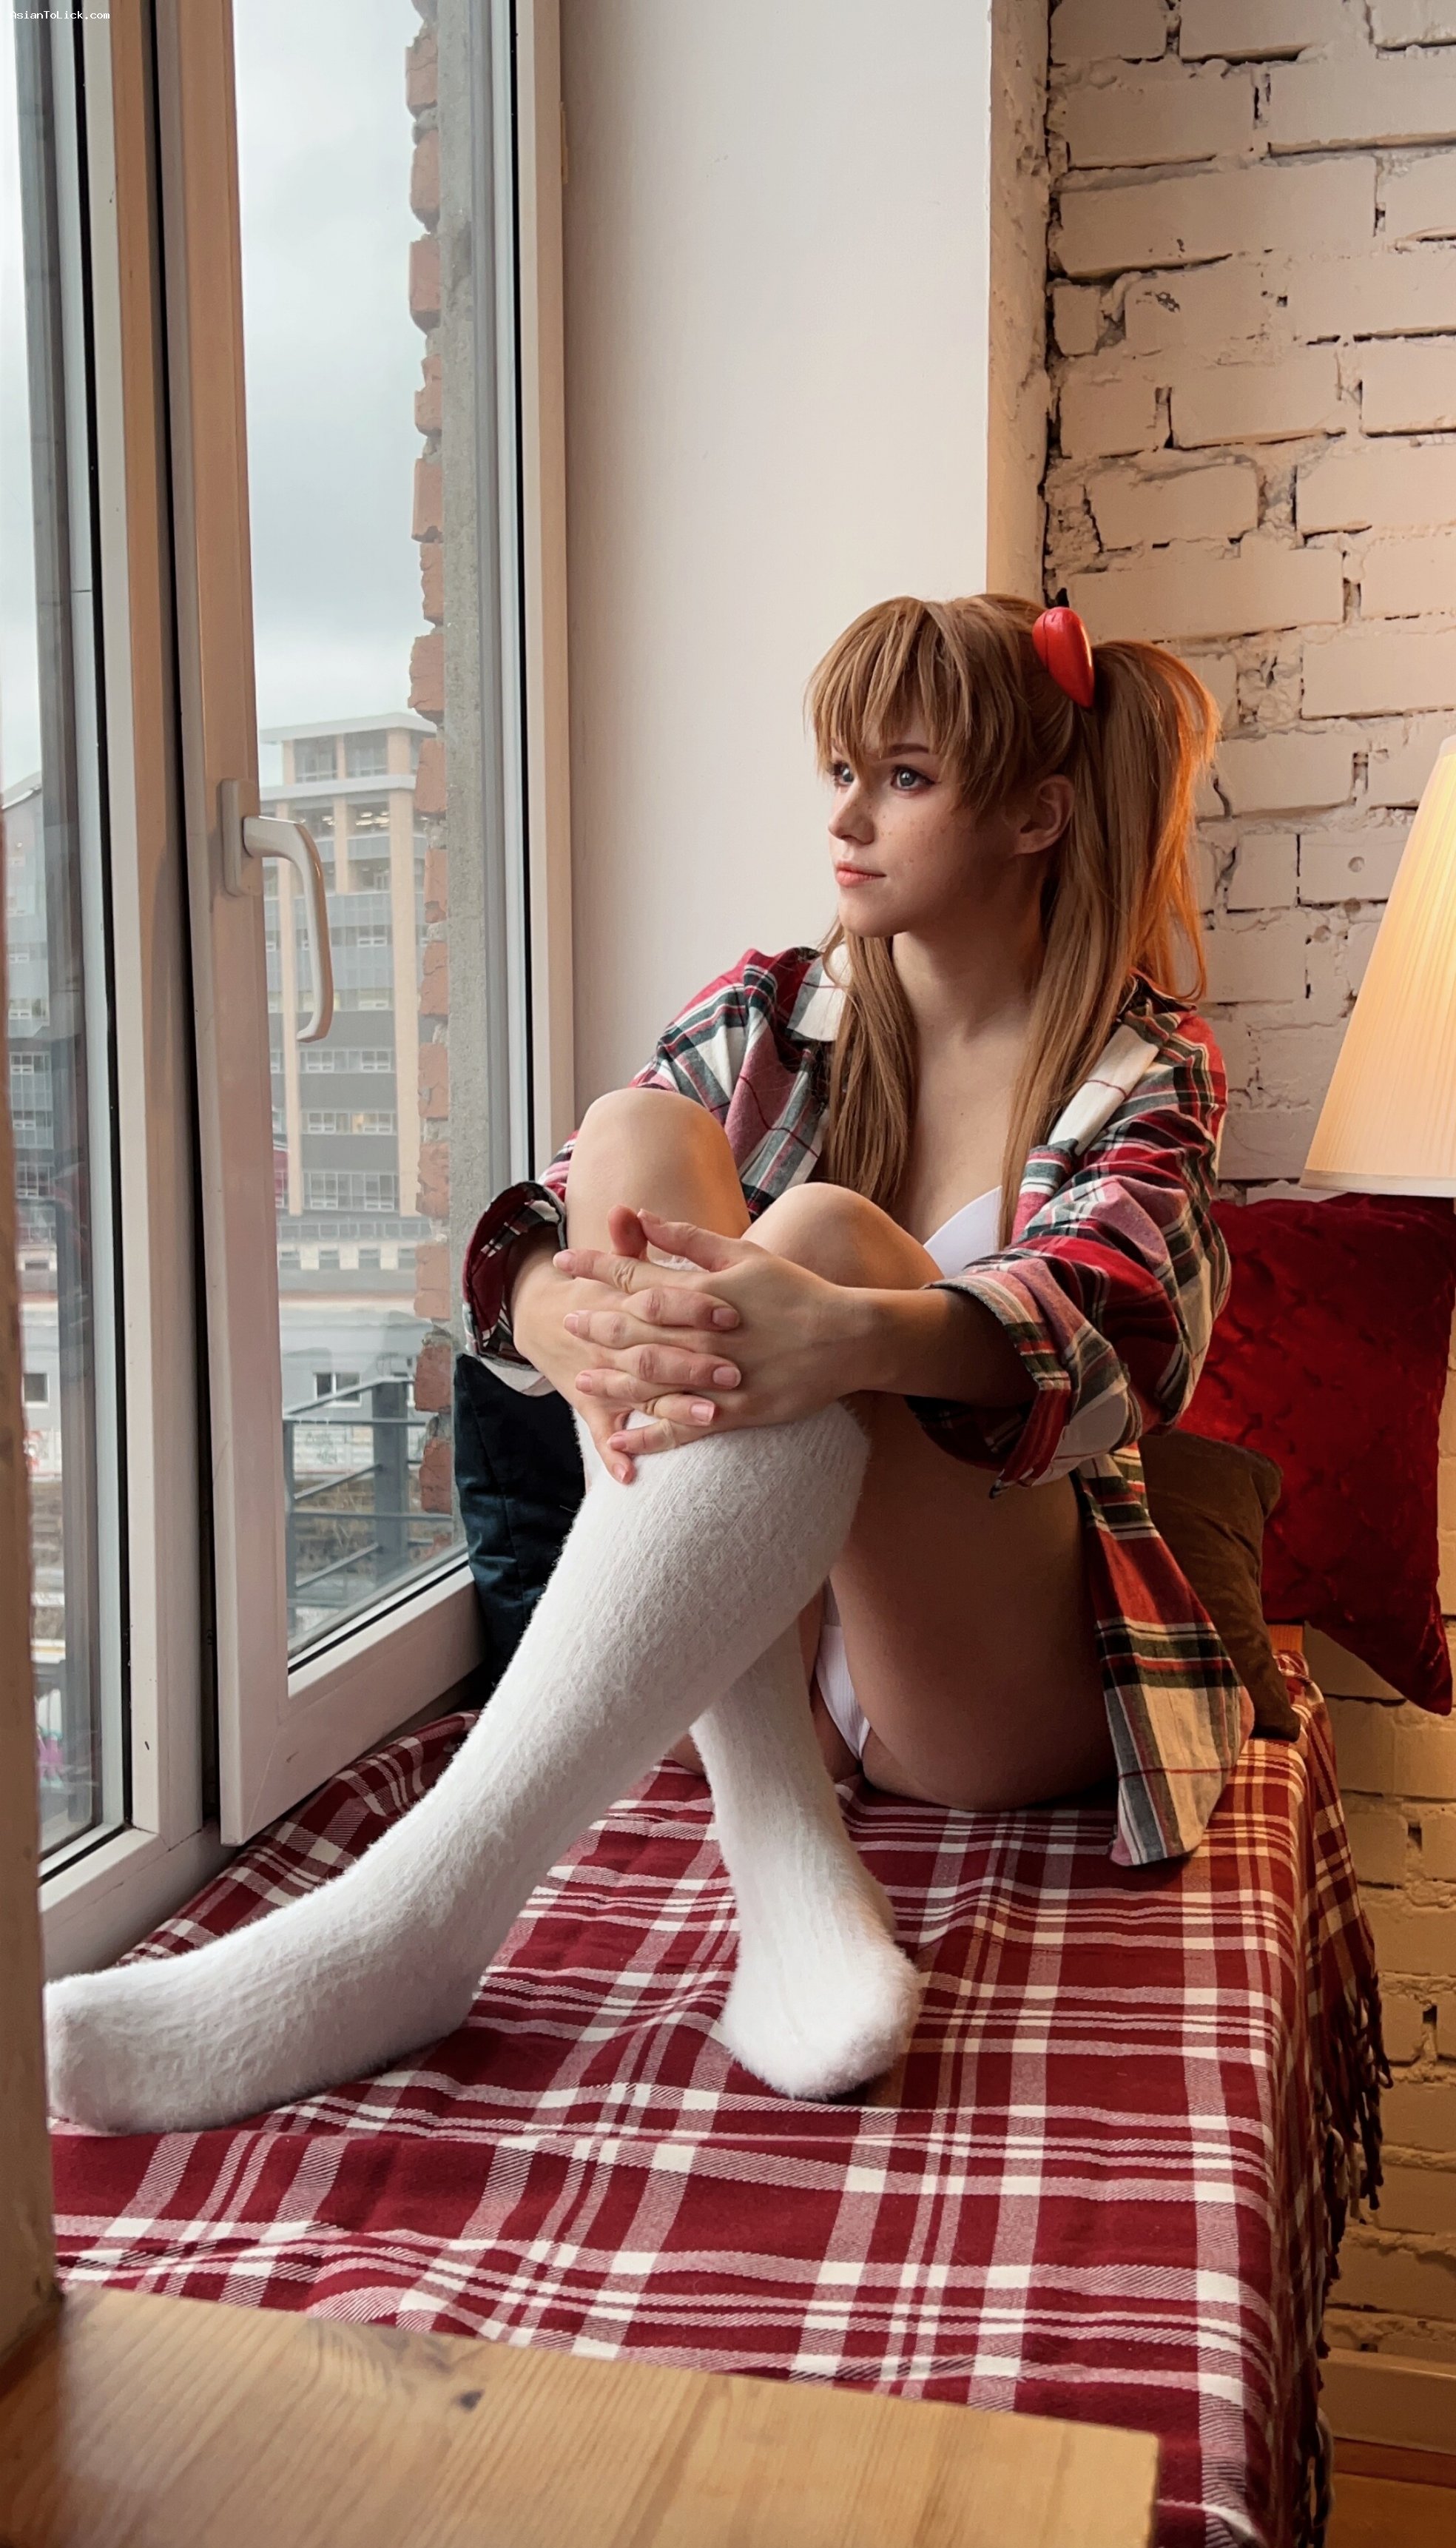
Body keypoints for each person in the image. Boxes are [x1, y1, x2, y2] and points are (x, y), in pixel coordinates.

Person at [45, 594, 1243, 2137]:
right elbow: (545, 1219)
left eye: (904, 778)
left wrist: (858, 1331)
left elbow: (1129, 1329)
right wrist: (547, 1300)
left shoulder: (1145, 1066)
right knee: (636, 1133)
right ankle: (781, 1842)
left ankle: (417, 1914)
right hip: (757, 1651)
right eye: (841, 771)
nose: (845, 818)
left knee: (821, 1232)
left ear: (1037, 815)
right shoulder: (773, 1012)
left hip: (979, 1688)